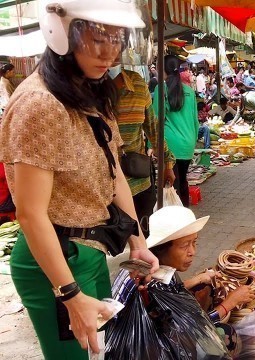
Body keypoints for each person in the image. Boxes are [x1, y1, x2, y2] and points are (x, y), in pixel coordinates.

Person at [0, 1, 160, 357]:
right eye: (97, 38)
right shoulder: (39, 103)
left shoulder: (90, 91)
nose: (110, 53)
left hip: (89, 252)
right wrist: (69, 295)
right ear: (60, 31)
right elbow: (30, 214)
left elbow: (113, 170)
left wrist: (137, 239)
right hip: (55, 264)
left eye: (117, 39)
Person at [112, 206, 253, 357]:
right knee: (226, 335)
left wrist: (197, 279)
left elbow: (172, 290)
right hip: (147, 350)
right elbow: (188, 331)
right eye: (185, 245)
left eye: (194, 242)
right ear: (160, 249)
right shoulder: (151, 285)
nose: (192, 252)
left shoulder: (147, 267)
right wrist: (229, 303)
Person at [111, 66, 176, 237]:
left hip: (138, 180)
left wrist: (167, 163)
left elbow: (153, 127)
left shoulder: (137, 84)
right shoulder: (84, 90)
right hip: (105, 189)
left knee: (145, 241)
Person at [153, 55, 199, 207]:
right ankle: (185, 216)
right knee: (182, 181)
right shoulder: (190, 91)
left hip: (170, 145)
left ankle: (176, 221)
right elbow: (195, 121)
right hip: (188, 143)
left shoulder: (161, 89)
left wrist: (150, 145)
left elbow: (155, 120)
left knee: (171, 184)